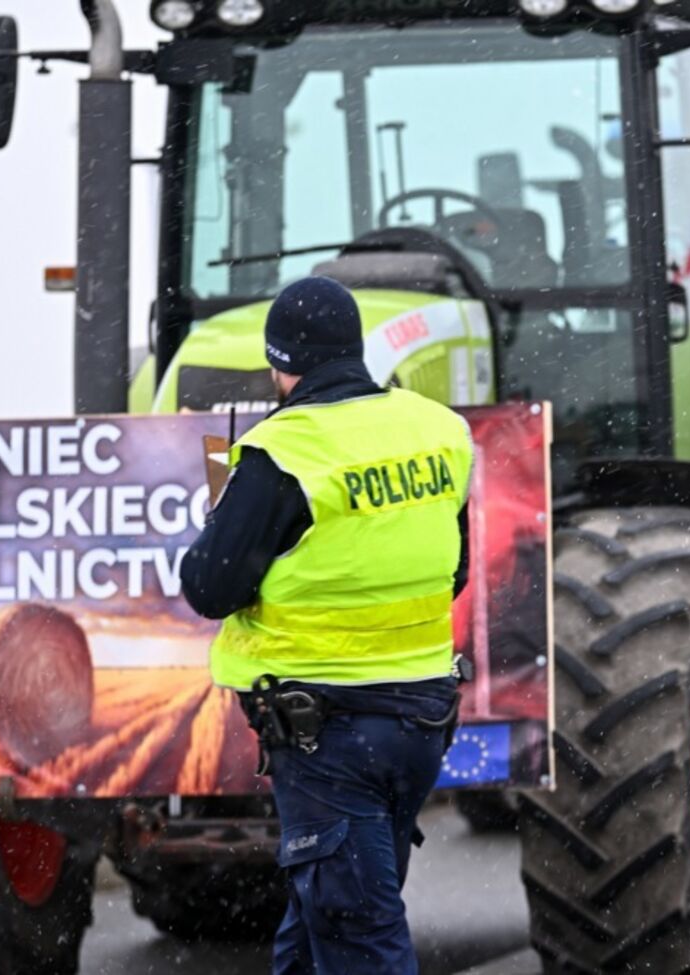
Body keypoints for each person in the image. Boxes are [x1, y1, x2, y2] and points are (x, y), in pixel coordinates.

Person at [180, 275, 473, 975]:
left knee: (355, 931)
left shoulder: (284, 451)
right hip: (421, 721)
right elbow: (454, 569)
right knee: (322, 921)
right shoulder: (437, 429)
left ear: (279, 365)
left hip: (327, 731)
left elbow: (208, 587)